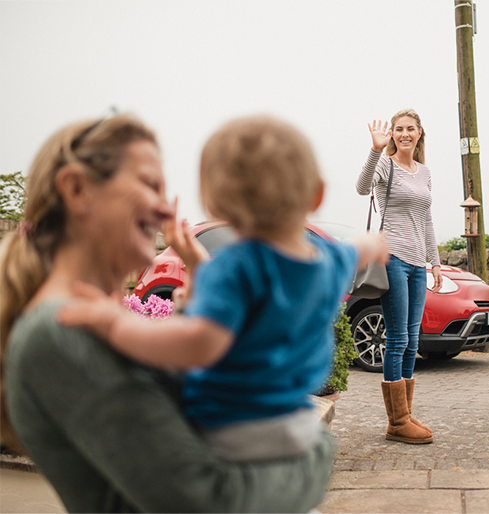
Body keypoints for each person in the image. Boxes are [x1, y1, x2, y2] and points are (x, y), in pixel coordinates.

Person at [0, 113, 357, 513]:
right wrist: (318, 451)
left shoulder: (88, 321)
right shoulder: (58, 332)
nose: (163, 207)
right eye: (150, 184)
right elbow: (208, 502)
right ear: (78, 188)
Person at [59, 114, 389, 465]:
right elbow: (360, 249)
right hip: (294, 425)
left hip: (230, 429)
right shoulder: (328, 259)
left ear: (212, 203)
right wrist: (374, 243)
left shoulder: (230, 268)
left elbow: (199, 342)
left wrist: (116, 324)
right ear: (317, 194)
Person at [355, 108, 442, 445]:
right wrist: (376, 149)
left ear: (420, 133)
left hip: (418, 264)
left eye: (410, 128)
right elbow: (362, 188)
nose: (404, 134)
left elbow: (428, 220)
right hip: (392, 258)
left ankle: (404, 413)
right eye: (398, 129)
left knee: (413, 340)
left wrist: (434, 262)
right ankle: (397, 422)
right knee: (398, 340)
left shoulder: (424, 172)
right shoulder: (385, 165)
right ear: (392, 134)